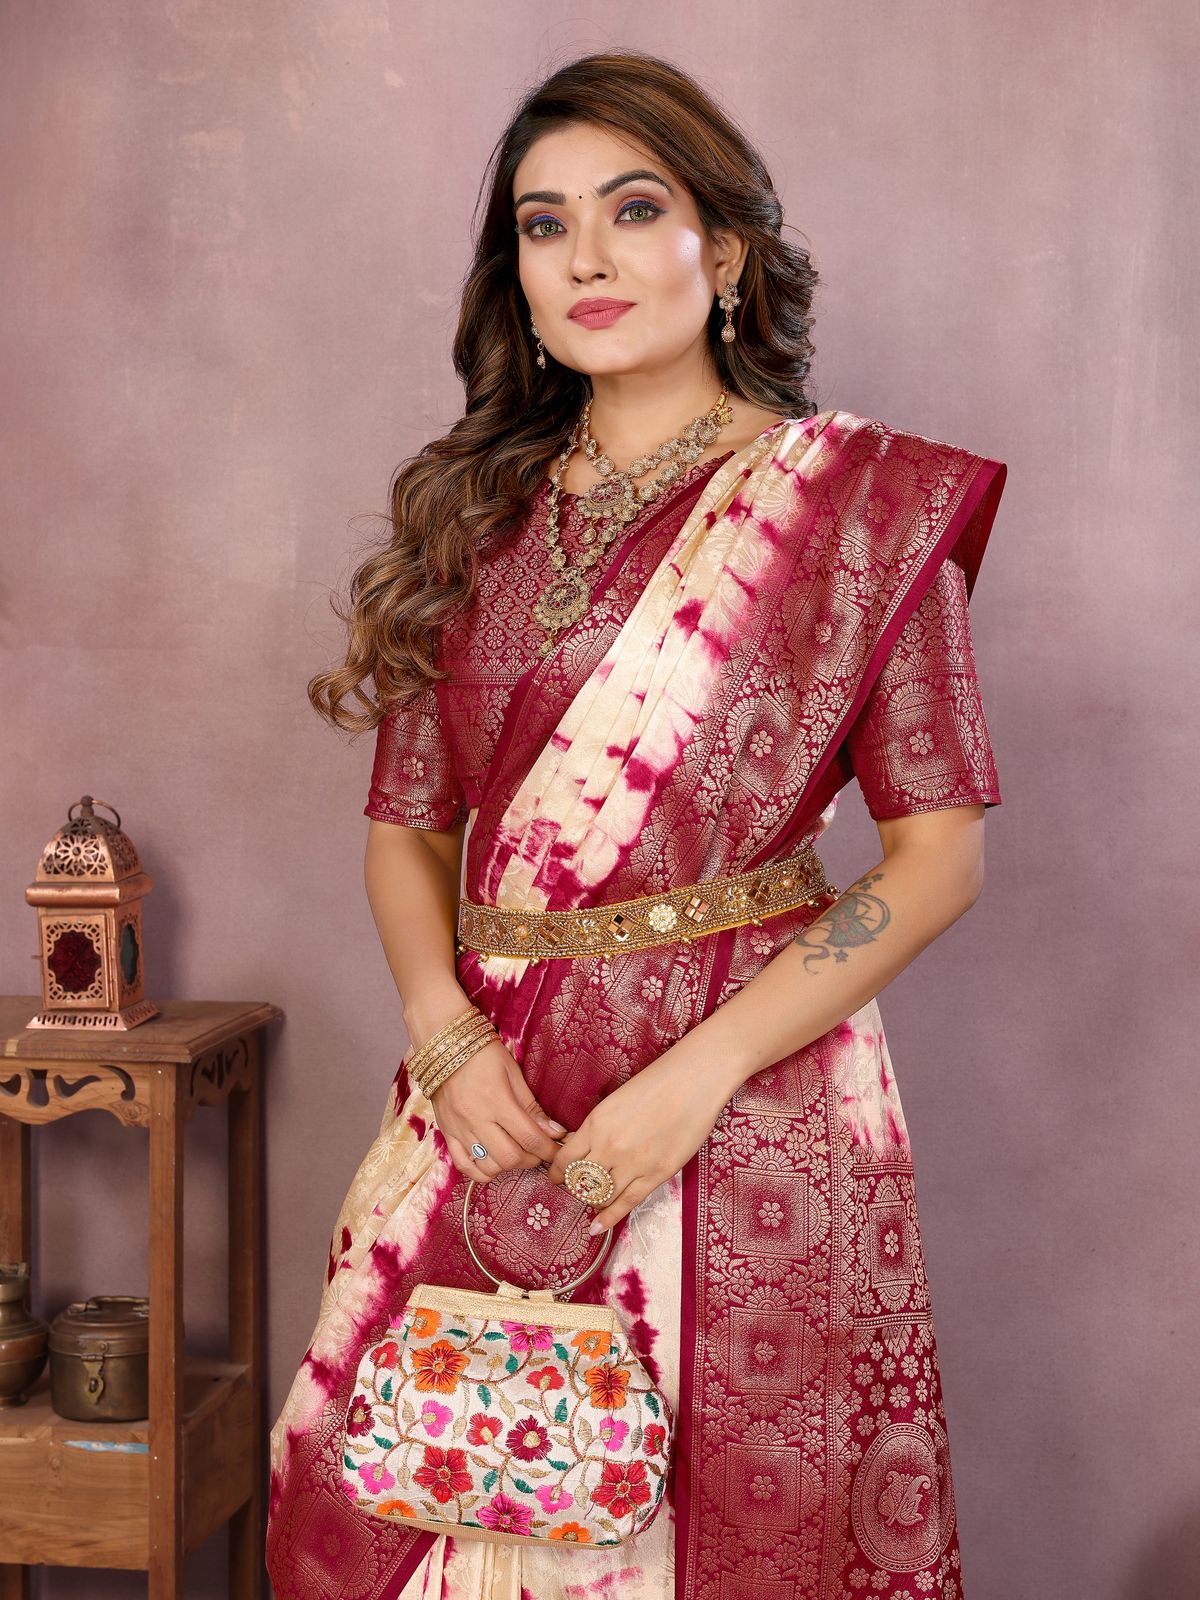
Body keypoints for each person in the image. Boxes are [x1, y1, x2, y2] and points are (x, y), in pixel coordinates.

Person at [265, 48, 1006, 1600]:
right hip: (492, 1090)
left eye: (632, 207)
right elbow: (407, 826)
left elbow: (939, 859)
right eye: (543, 226)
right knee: (439, 1492)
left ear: (721, 252)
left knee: (741, 1529)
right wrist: (443, 1034)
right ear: (515, 274)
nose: (586, 256)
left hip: (757, 1093)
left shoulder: (857, 513)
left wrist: (698, 1080)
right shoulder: (471, 515)